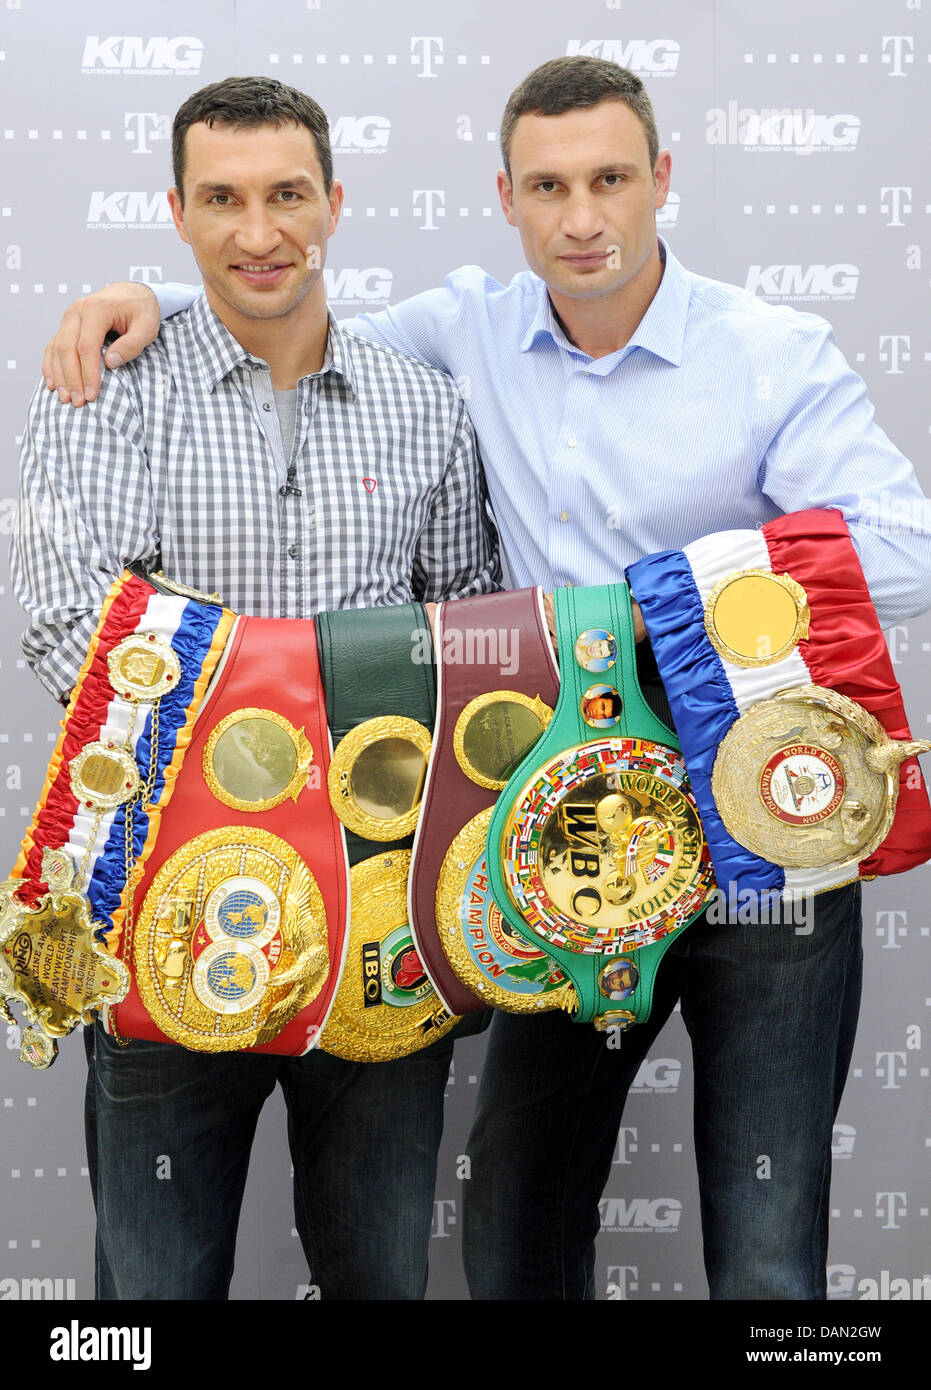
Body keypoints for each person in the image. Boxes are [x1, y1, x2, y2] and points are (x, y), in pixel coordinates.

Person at [38, 57, 931, 1300]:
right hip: (551, 840)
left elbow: (906, 546)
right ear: (503, 197)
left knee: (768, 1234)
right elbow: (278, 308)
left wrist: (670, 605)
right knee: (516, 1212)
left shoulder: (772, 352)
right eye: (549, 185)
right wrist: (137, 291)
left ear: (661, 180)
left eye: (612, 179)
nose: (582, 218)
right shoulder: (456, 335)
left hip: (756, 831)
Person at [12, 75, 499, 1301]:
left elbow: (470, 633)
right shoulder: (101, 389)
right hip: (161, 912)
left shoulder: (425, 408)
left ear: (335, 202)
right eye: (222, 200)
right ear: (175, 214)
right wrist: (275, 749)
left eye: (287, 195)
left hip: (382, 922)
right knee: (151, 1293)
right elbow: (67, 620)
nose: (259, 231)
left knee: (384, 1275)